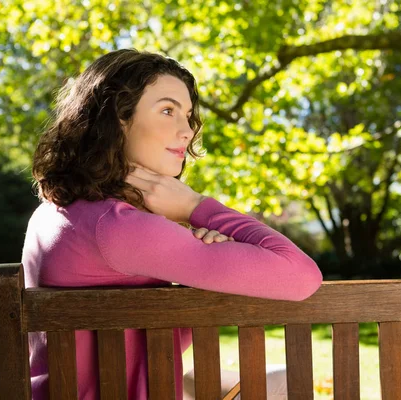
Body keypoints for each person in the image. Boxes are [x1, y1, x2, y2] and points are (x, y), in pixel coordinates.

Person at [22, 48, 323, 400]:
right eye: (168, 110)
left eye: (189, 115)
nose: (188, 131)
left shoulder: (57, 211)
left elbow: (147, 340)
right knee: (286, 383)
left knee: (267, 380)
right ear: (117, 118)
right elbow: (303, 276)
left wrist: (197, 258)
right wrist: (197, 206)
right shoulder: (120, 227)